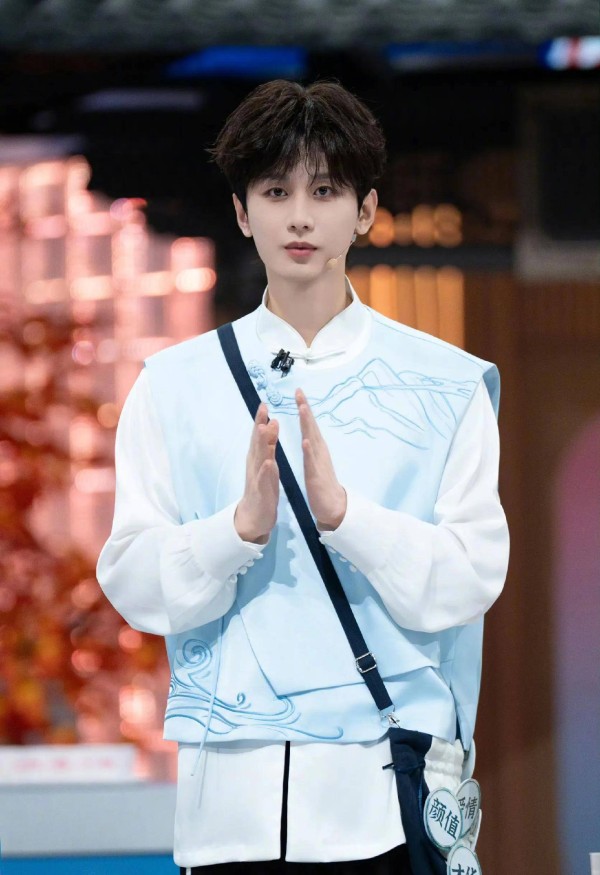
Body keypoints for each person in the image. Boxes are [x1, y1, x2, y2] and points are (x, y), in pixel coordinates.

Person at [96, 79, 509, 875]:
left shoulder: (448, 384)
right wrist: (235, 532)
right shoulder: (173, 385)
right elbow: (133, 581)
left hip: (385, 801)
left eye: (324, 191)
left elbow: (469, 579)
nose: (299, 217)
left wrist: (350, 519)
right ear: (242, 212)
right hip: (229, 813)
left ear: (365, 210)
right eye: (275, 192)